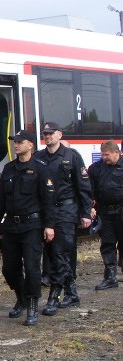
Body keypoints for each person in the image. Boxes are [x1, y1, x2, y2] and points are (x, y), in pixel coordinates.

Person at [0, 129, 55, 326]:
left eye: (20, 142)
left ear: (30, 145)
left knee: (32, 267)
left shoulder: (41, 168)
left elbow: (48, 199)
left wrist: (49, 225)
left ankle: (33, 304)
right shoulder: (9, 168)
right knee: (9, 268)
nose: (16, 145)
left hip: (32, 225)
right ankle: (22, 297)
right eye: (14, 142)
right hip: (11, 225)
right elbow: (1, 197)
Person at [35, 122, 93, 314]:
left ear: (59, 134)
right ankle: (72, 292)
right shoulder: (39, 157)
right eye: (45, 134)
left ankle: (55, 294)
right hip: (47, 211)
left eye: (51, 133)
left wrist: (85, 213)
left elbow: (83, 186)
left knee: (61, 252)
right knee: (51, 253)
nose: (48, 136)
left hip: (66, 210)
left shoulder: (71, 156)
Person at [88, 140, 123, 290]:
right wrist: (90, 207)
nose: (104, 158)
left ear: (117, 153)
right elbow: (89, 190)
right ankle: (110, 276)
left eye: (107, 155)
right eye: (102, 155)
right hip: (104, 211)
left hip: (121, 209)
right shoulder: (96, 169)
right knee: (107, 243)